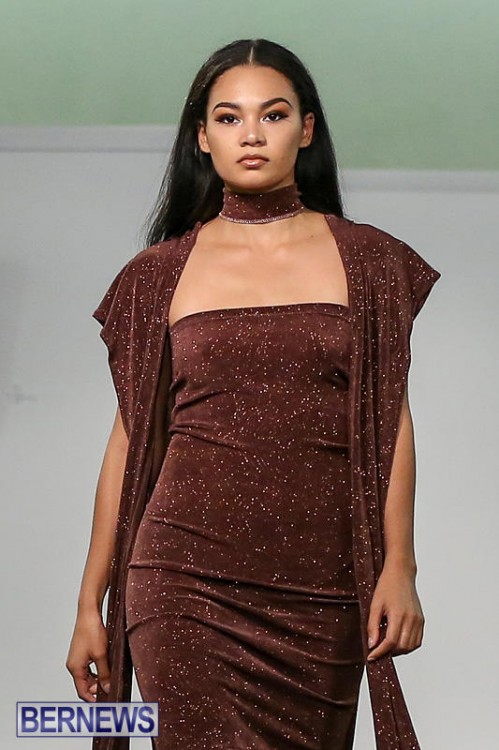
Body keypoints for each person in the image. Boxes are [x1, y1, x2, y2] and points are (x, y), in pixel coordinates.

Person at [66, 38, 441, 750]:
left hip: (323, 586)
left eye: (272, 115)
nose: (251, 135)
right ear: (202, 138)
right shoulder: (156, 276)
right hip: (182, 580)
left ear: (306, 129)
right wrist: (91, 602)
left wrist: (401, 565)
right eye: (229, 118)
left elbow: (389, 423)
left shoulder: (369, 262)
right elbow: (129, 444)